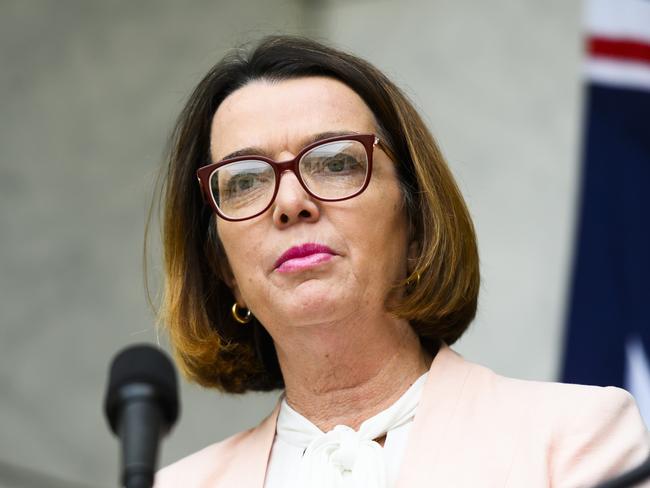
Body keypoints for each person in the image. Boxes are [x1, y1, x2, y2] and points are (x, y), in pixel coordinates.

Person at [153, 36, 649, 488]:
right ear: (223, 268)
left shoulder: (574, 437)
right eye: (244, 180)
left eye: (335, 162)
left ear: (415, 223)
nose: (289, 202)